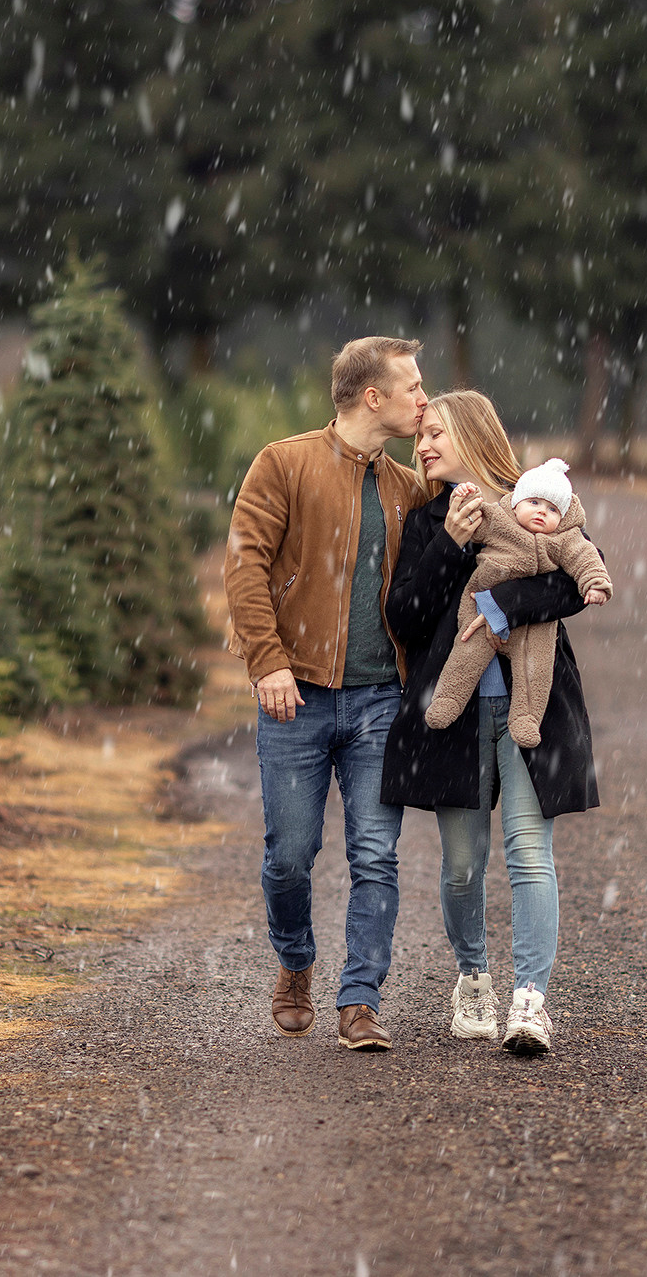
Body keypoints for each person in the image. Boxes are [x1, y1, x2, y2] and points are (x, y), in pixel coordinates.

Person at [223, 336, 430, 1052]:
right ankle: (296, 961)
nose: (423, 399)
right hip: (296, 697)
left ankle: (360, 1000)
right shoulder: (283, 463)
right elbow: (245, 564)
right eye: (413, 386)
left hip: (380, 702)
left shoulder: (409, 488)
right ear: (373, 396)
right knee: (289, 854)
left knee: (375, 854)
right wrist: (268, 662)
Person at [380, 391, 601, 1055]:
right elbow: (405, 617)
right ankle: (473, 976)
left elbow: (576, 578)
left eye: (435, 434)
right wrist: (450, 542)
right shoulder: (427, 521)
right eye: (419, 436)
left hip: (535, 707)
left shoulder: (534, 500)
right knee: (462, 866)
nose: (422, 446)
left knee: (530, 855)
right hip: (454, 713)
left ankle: (530, 999)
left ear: (473, 436)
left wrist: (501, 606)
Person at [422, 457, 611, 749]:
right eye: (534, 502)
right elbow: (475, 519)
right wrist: (467, 498)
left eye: (552, 509)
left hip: (534, 622)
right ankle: (448, 700)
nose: (541, 512)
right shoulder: (501, 520)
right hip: (481, 606)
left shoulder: (565, 538)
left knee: (536, 670)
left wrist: (595, 583)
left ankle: (526, 719)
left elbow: (586, 558)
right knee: (466, 653)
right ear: (517, 502)